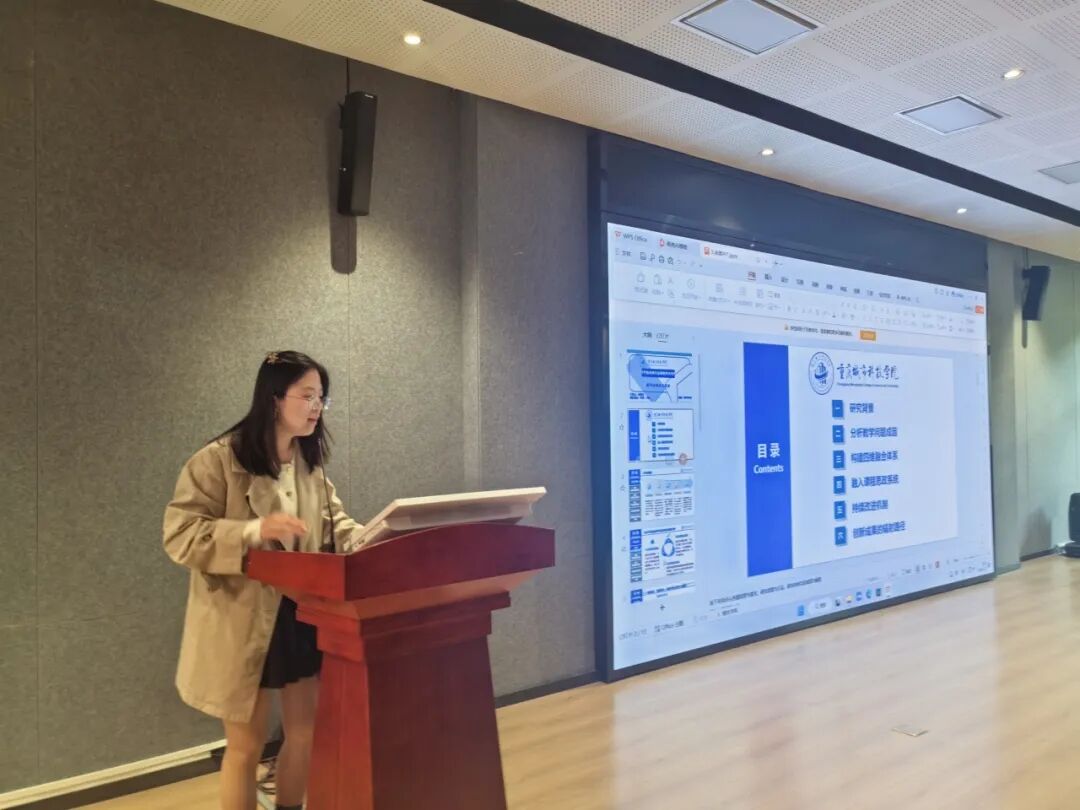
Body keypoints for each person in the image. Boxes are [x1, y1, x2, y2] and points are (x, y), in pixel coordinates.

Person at [163, 350, 365, 810]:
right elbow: (180, 535)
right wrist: (254, 531)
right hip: (242, 617)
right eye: (307, 396)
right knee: (246, 746)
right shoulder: (218, 460)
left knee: (306, 733)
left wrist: (372, 537)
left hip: (301, 609)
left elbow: (335, 524)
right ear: (274, 398)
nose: (316, 407)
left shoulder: (309, 462)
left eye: (321, 398)